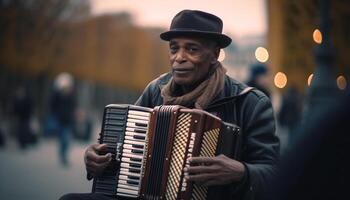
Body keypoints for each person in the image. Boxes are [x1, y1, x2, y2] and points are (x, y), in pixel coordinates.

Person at [60, 10, 279, 200]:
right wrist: (96, 159)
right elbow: (119, 151)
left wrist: (241, 172)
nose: (179, 58)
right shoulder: (155, 90)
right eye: (174, 48)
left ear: (214, 55)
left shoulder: (250, 102)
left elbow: (273, 173)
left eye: (192, 49)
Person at [50, 73, 76, 166]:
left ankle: (63, 155)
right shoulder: (57, 96)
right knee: (63, 139)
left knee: (67, 140)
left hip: (68, 121)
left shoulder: (71, 97)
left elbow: (73, 107)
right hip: (60, 121)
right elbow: (52, 107)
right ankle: (62, 156)